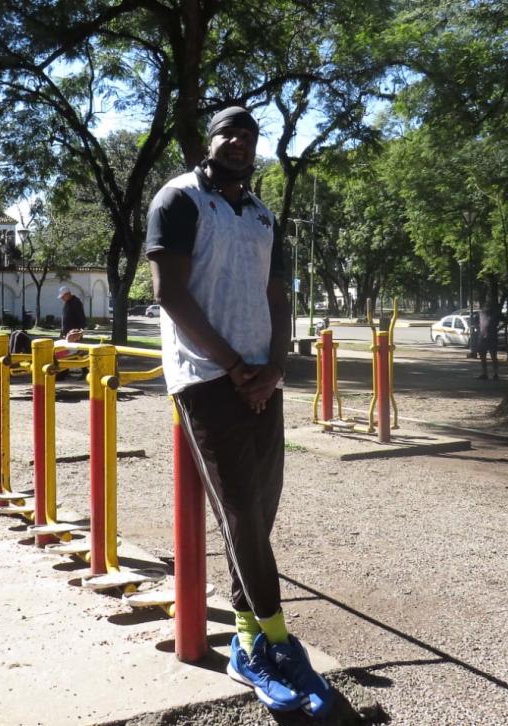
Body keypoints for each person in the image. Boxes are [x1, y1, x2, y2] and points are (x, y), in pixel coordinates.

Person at [145, 105, 333, 717]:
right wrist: (231, 366)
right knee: (241, 511)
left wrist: (275, 366)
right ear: (210, 141)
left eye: (248, 137)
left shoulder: (259, 213)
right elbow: (169, 293)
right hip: (206, 378)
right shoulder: (178, 201)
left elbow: (278, 295)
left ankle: (248, 638)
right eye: (228, 133)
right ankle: (277, 640)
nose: (237, 143)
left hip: (260, 377)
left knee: (262, 507)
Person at [477, 301, 500, 380]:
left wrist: (498, 329)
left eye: (489, 306)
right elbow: (476, 322)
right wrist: (479, 329)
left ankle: (495, 374)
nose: (487, 308)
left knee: (493, 356)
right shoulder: (481, 313)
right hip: (482, 337)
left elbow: (507, 321)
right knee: (482, 356)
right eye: (486, 306)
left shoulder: (495, 314)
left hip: (492, 338)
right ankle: (484, 373)